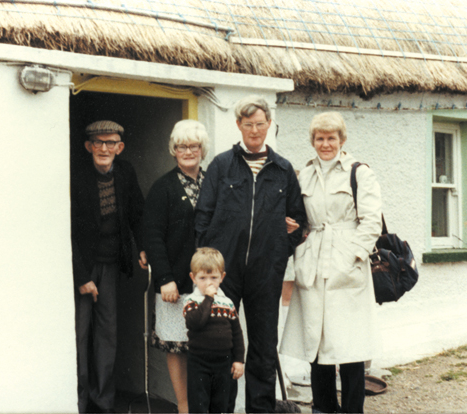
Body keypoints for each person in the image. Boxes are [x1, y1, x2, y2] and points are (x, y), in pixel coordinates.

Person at [194, 95, 307, 413]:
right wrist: (208, 264)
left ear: (269, 125)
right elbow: (203, 216)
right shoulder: (221, 165)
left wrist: (278, 251)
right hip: (225, 273)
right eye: (248, 124)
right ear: (238, 126)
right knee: (222, 343)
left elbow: (299, 223)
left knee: (262, 347)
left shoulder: (283, 170)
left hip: (265, 273)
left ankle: (260, 409)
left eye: (260, 124)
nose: (254, 130)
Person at [280, 112, 382, 413]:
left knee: (350, 345)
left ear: (342, 139)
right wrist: (294, 228)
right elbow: (299, 216)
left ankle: (352, 409)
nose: (326, 144)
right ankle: (323, 408)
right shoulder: (306, 174)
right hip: (312, 264)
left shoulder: (359, 172)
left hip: (346, 265)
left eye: (331, 138)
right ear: (313, 141)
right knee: (316, 341)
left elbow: (372, 222)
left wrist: (353, 257)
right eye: (320, 138)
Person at [71, 120, 148, 413]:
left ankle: (103, 401)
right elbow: (69, 231)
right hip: (84, 267)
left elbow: (137, 213)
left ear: (120, 147)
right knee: (79, 335)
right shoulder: (77, 176)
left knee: (107, 335)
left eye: (111, 143)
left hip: (112, 266)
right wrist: (81, 277)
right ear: (89, 146)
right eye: (98, 142)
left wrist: (141, 246)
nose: (104, 148)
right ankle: (78, 401)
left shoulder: (125, 172)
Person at [142, 119, 209, 413]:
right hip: (174, 284)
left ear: (202, 149)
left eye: (194, 145)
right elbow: (153, 236)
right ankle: (184, 407)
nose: (188, 151)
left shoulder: (213, 184)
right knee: (176, 346)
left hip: (208, 283)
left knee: (205, 345)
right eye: (182, 146)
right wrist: (165, 278)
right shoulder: (163, 187)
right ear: (174, 149)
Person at [183, 247, 245, 414]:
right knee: (199, 404)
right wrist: (209, 298)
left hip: (223, 363)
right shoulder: (191, 301)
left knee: (221, 405)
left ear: (222, 277)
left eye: (213, 277)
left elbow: (237, 334)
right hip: (199, 362)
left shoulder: (227, 303)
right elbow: (195, 323)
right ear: (193, 278)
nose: (208, 282)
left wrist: (239, 360)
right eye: (202, 278)